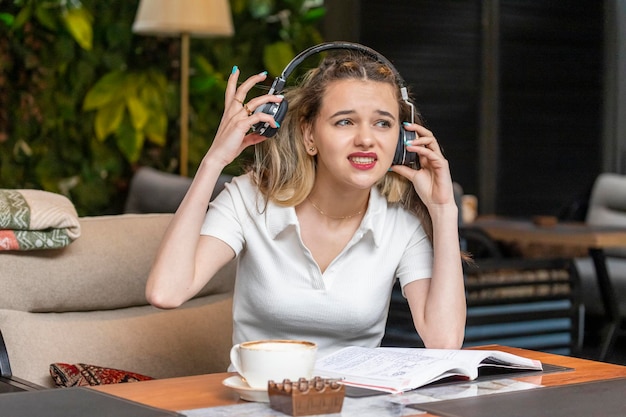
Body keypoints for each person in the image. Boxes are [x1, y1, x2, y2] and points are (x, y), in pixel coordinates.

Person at [146, 46, 466, 360]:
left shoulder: (401, 225)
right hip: (259, 403)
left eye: (383, 123)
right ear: (309, 136)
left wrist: (443, 210)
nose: (366, 139)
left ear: (402, 140)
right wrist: (214, 160)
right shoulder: (249, 199)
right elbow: (166, 292)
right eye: (345, 122)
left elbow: (444, 340)